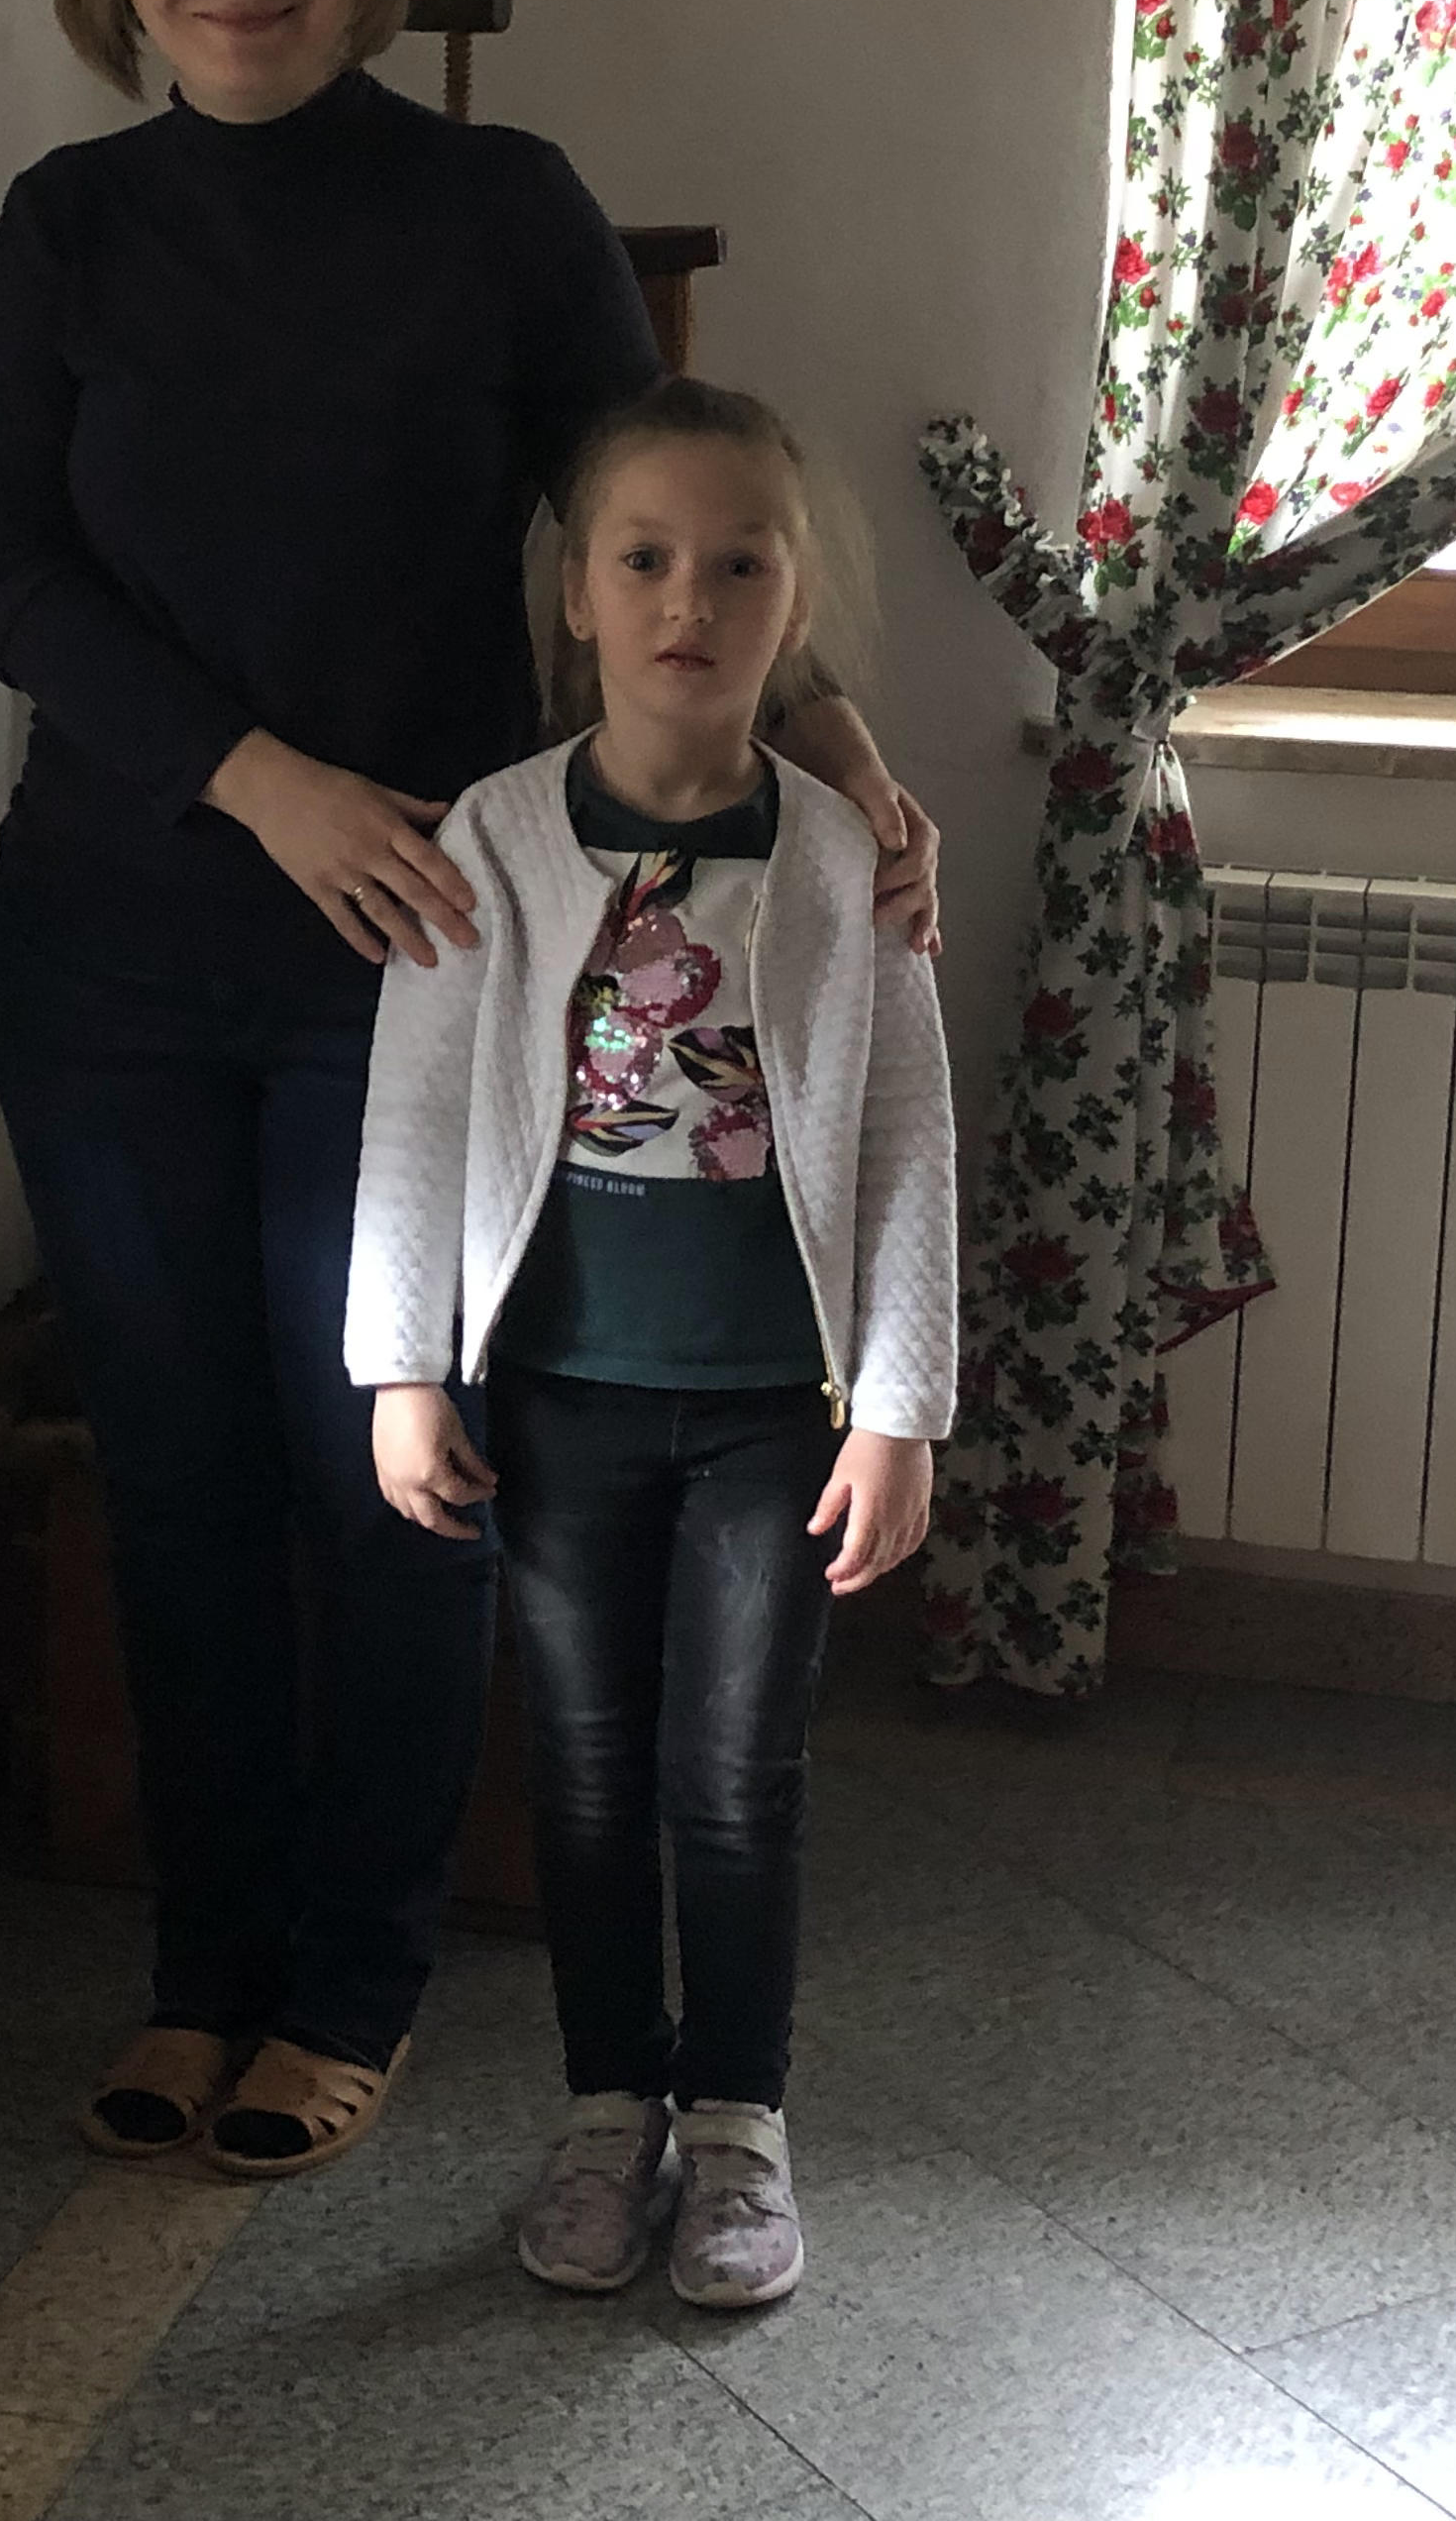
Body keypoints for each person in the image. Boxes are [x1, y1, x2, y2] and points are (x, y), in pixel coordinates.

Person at [0, 0, 940, 2180]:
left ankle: (356, 1975)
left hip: (425, 966)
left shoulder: (500, 212)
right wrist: (256, 777)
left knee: (388, 1459)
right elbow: (4, 568)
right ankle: (202, 1971)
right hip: (108, 953)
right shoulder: (67, 225)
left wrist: (835, 745)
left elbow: (666, 514)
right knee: (177, 1474)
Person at [347, 377, 958, 2308]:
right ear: (580, 595)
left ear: (795, 605)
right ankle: (610, 2109)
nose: (690, 599)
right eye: (645, 560)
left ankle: (741, 2129)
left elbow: (909, 1137)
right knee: (591, 1778)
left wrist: (904, 1410)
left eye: (739, 565)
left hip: (776, 1416)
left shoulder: (847, 856)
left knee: (735, 1781)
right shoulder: (496, 840)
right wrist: (405, 1369)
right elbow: (415, 1119)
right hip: (562, 1406)